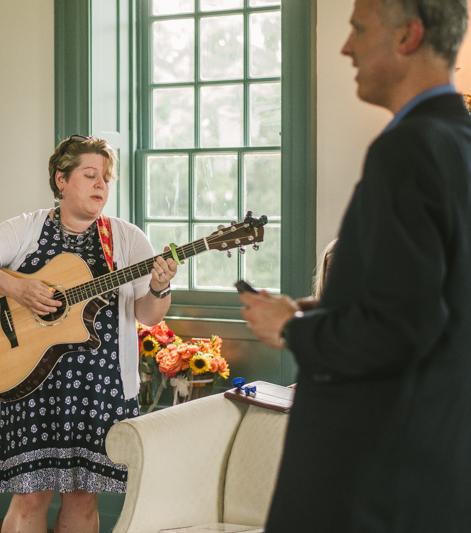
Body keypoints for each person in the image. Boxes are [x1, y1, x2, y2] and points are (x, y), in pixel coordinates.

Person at [239, 0, 471, 531]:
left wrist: (292, 328)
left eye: (358, 29)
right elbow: (441, 298)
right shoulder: (460, 142)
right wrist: (328, 308)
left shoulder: (408, 149)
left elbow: (402, 327)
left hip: (373, 473)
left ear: (408, 36)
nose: (345, 47)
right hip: (439, 467)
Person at [0, 135, 178, 533]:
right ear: (61, 180)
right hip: (33, 384)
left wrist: (159, 287)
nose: (100, 186)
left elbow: (147, 316)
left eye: (106, 178)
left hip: (101, 388)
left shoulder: (126, 238)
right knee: (31, 496)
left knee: (83, 496)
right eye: (90, 175)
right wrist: (18, 288)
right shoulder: (26, 228)